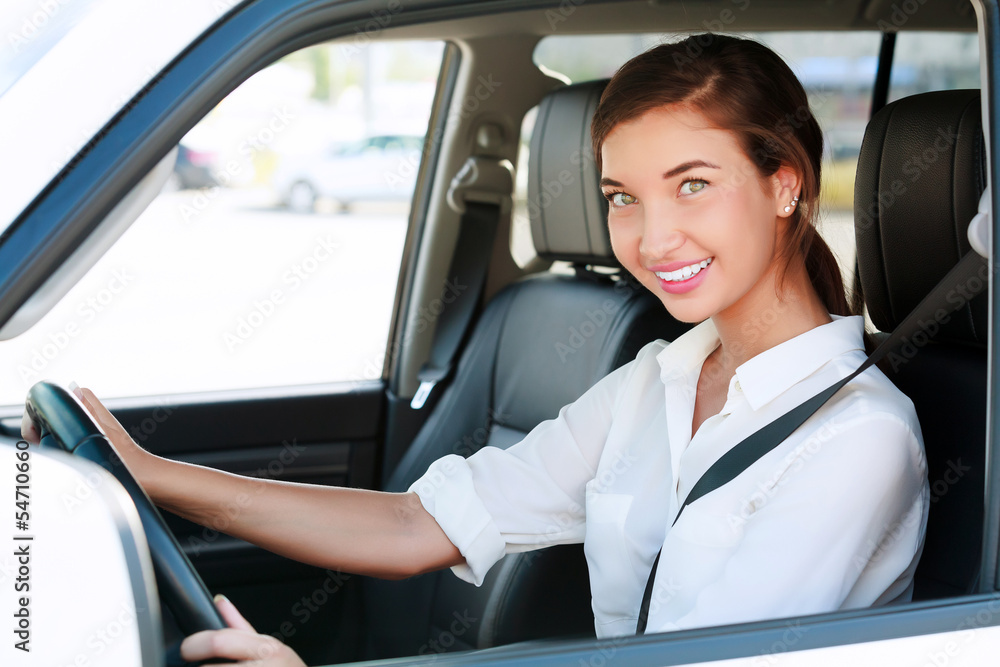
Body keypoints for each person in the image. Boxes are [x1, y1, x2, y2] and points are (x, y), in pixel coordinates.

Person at [26, 33, 928, 665]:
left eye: (693, 185)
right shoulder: (661, 376)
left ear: (784, 183)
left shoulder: (859, 441)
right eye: (622, 196)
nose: (652, 239)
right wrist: (147, 473)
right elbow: (420, 524)